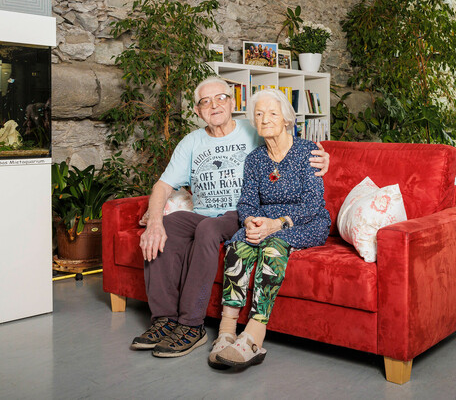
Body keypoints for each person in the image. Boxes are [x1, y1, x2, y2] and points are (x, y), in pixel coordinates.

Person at [131, 77, 330, 358]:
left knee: (211, 229)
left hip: (236, 215)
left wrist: (326, 158)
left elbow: (290, 146)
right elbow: (164, 185)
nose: (214, 105)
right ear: (197, 111)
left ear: (232, 102)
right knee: (169, 225)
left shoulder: (253, 129)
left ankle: (192, 325)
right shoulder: (196, 143)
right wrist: (154, 222)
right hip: (209, 213)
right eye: (205, 101)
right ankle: (164, 320)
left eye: (221, 98)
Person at [208, 88, 331, 369]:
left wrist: (277, 224)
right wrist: (251, 220)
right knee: (237, 246)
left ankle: (254, 333)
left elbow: (313, 205)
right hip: (265, 222)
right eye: (259, 114)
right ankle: (227, 331)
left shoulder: (308, 152)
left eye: (272, 113)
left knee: (273, 247)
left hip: (305, 222)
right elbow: (248, 202)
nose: (265, 119)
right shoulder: (255, 160)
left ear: (287, 119)